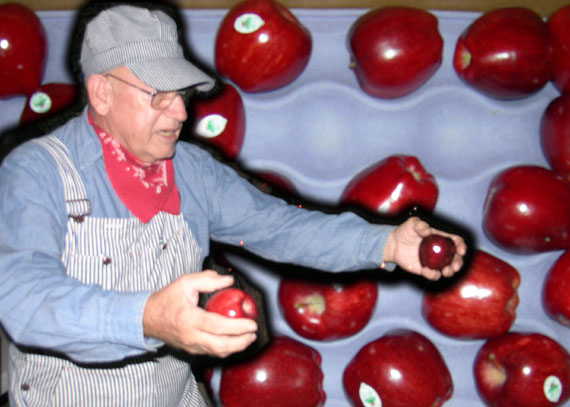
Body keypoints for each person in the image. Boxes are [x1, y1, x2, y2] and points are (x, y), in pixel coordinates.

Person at [0, 3, 466, 406]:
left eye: (181, 95)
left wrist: (385, 243)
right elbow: (23, 296)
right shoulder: (36, 172)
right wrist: (147, 318)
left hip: (171, 392)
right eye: (159, 96)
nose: (182, 113)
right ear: (101, 92)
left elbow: (279, 228)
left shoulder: (191, 171)